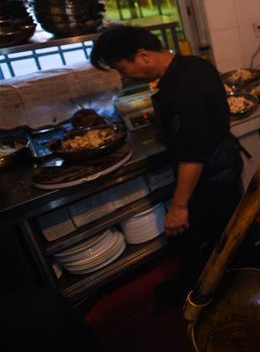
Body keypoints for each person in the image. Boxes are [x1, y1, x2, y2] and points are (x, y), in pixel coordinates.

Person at [90, 25, 246, 287]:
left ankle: (222, 291)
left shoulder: (180, 86)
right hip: (223, 163)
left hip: (210, 174)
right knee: (229, 229)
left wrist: (179, 206)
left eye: (121, 68)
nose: (123, 76)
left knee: (216, 240)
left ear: (143, 55)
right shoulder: (193, 64)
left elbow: (193, 155)